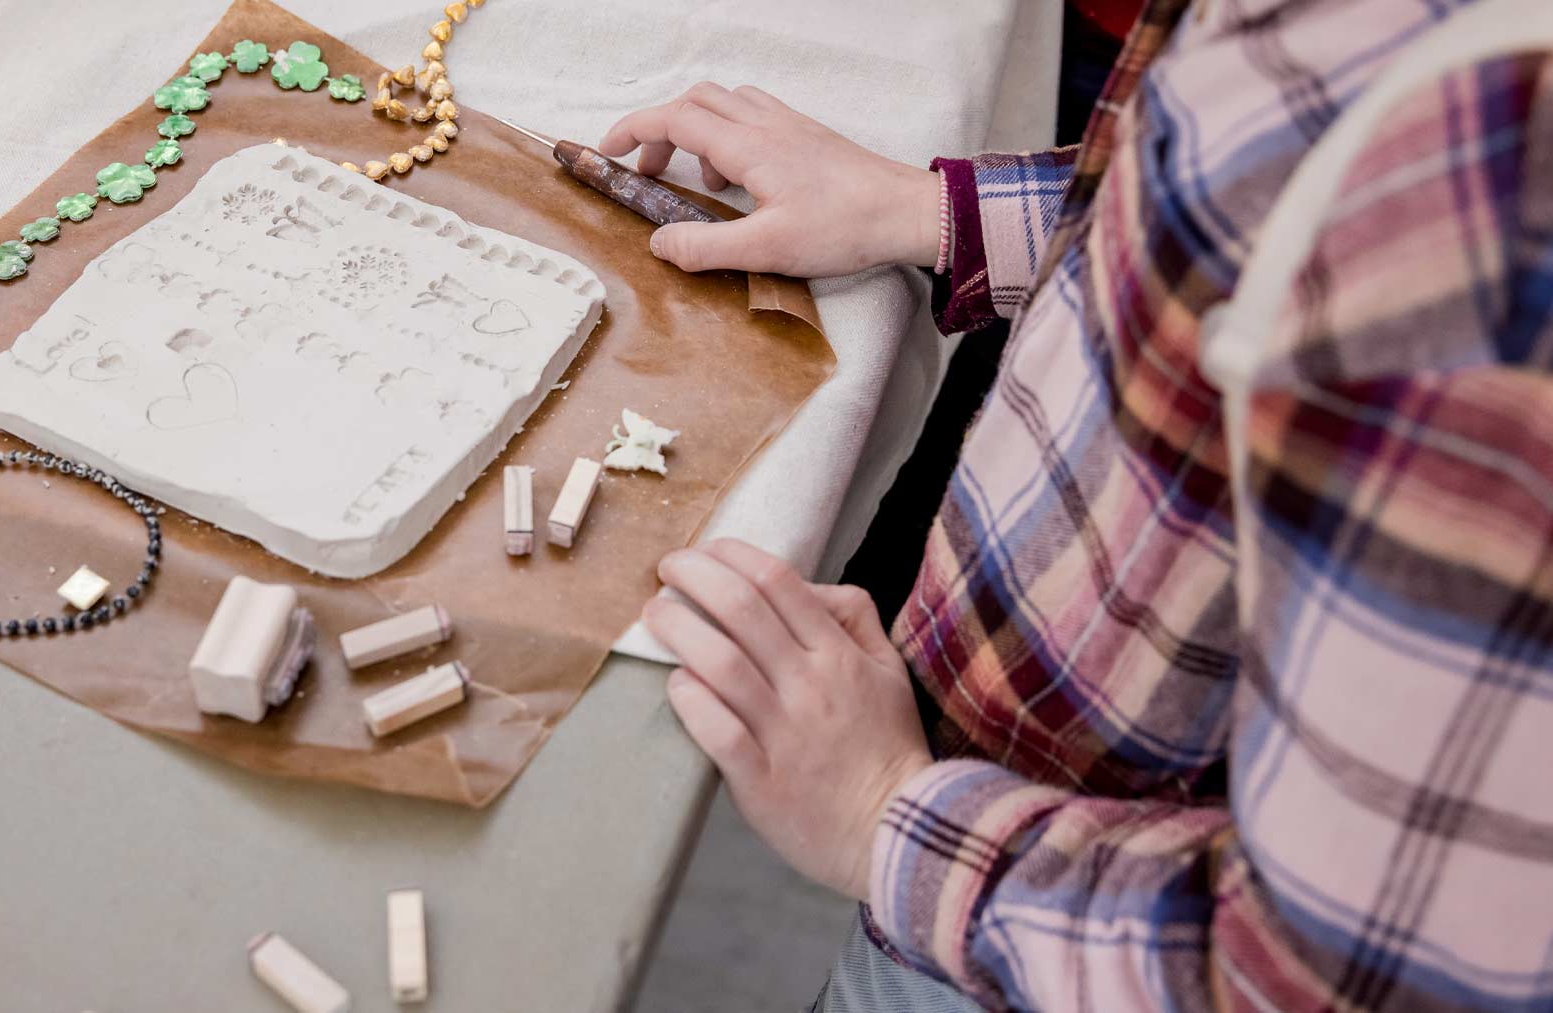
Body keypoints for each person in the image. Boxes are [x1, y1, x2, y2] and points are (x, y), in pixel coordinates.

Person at [604, 0, 1553, 1009]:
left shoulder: (1502, 235)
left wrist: (887, 814)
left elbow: (1339, 976)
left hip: (1052, 931)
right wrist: (932, 214)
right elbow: (1247, 193)